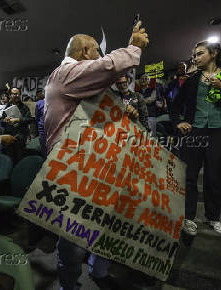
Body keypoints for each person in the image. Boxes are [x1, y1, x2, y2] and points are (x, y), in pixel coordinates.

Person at [44, 21, 148, 290]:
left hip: (96, 164)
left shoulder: (75, 81)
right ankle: (70, 285)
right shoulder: (66, 73)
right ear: (86, 50)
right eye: (97, 53)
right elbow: (107, 67)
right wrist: (133, 46)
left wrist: (124, 116)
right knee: (74, 237)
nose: (100, 58)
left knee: (106, 226)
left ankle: (98, 273)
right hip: (74, 167)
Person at [171, 41, 221, 236]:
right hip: (195, 132)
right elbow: (175, 106)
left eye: (200, 54)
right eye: (194, 55)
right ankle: (189, 217)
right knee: (190, 176)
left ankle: (213, 218)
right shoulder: (191, 81)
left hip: (220, 132)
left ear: (214, 53)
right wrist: (179, 122)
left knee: (214, 176)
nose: (195, 58)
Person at [0, 87, 33, 164]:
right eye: (14, 94)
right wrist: (5, 120)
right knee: (9, 159)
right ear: (10, 95)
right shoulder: (7, 107)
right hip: (8, 137)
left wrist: (18, 119)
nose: (17, 95)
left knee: (19, 159)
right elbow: (1, 121)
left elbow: (29, 119)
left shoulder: (24, 107)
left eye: (18, 94)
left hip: (20, 137)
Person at [34, 90, 46, 157]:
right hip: (43, 131)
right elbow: (37, 118)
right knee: (44, 151)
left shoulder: (56, 102)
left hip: (54, 131)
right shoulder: (39, 103)